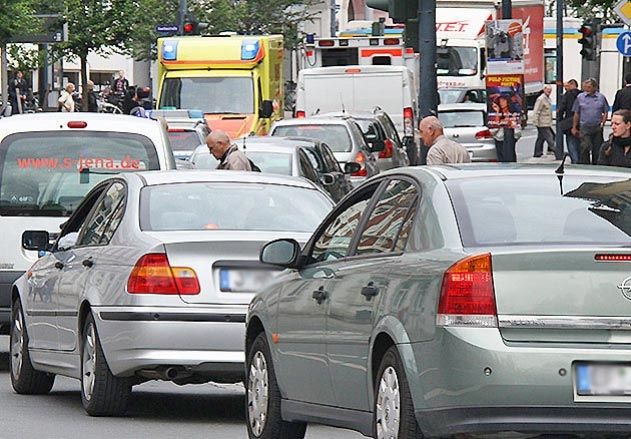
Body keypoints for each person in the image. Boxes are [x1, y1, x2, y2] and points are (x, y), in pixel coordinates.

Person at [571, 78, 609, 164]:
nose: (587, 89)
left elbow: (606, 111)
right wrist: (574, 127)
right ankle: (585, 164)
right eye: (585, 87)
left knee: (597, 148)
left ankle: (596, 164)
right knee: (585, 147)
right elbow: (576, 113)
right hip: (585, 126)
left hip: (597, 126)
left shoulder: (601, 97)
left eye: (589, 87)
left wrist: (603, 122)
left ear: (595, 87)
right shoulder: (580, 97)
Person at [557, 79, 581, 163]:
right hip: (581, 122)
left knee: (571, 142)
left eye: (567, 86)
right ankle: (580, 160)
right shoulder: (582, 94)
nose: (566, 88)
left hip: (569, 122)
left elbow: (561, 108)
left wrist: (560, 120)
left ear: (572, 84)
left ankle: (575, 161)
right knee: (579, 143)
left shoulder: (568, 95)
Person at [532, 85, 555, 157]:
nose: (549, 91)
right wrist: (535, 121)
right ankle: (557, 151)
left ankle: (537, 153)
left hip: (547, 122)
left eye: (550, 90)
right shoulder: (541, 99)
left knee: (541, 138)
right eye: (548, 90)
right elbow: (536, 110)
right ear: (544, 89)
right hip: (542, 123)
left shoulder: (547, 98)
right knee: (550, 137)